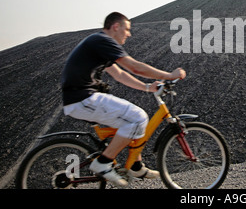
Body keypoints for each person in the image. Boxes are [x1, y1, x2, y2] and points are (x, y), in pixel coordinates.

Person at [61, 12, 186, 187]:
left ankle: (135, 165)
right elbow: (134, 67)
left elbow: (120, 74)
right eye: (127, 29)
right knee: (138, 117)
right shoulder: (102, 41)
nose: (129, 34)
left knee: (130, 120)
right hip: (83, 98)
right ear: (115, 27)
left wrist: (148, 87)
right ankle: (103, 163)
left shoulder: (98, 44)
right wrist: (169, 75)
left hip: (81, 98)